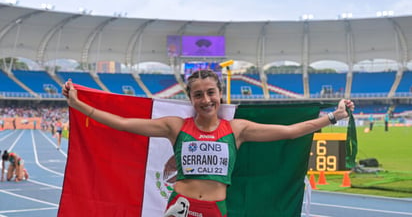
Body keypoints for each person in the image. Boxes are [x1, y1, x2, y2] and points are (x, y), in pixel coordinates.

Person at [62, 69, 354, 217]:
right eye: (198, 95)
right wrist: (79, 106)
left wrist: (333, 117)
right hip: (180, 206)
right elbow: (123, 124)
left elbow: (290, 132)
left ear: (219, 94)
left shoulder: (237, 129)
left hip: (216, 209)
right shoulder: (176, 126)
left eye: (210, 93)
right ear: (190, 99)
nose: (206, 100)